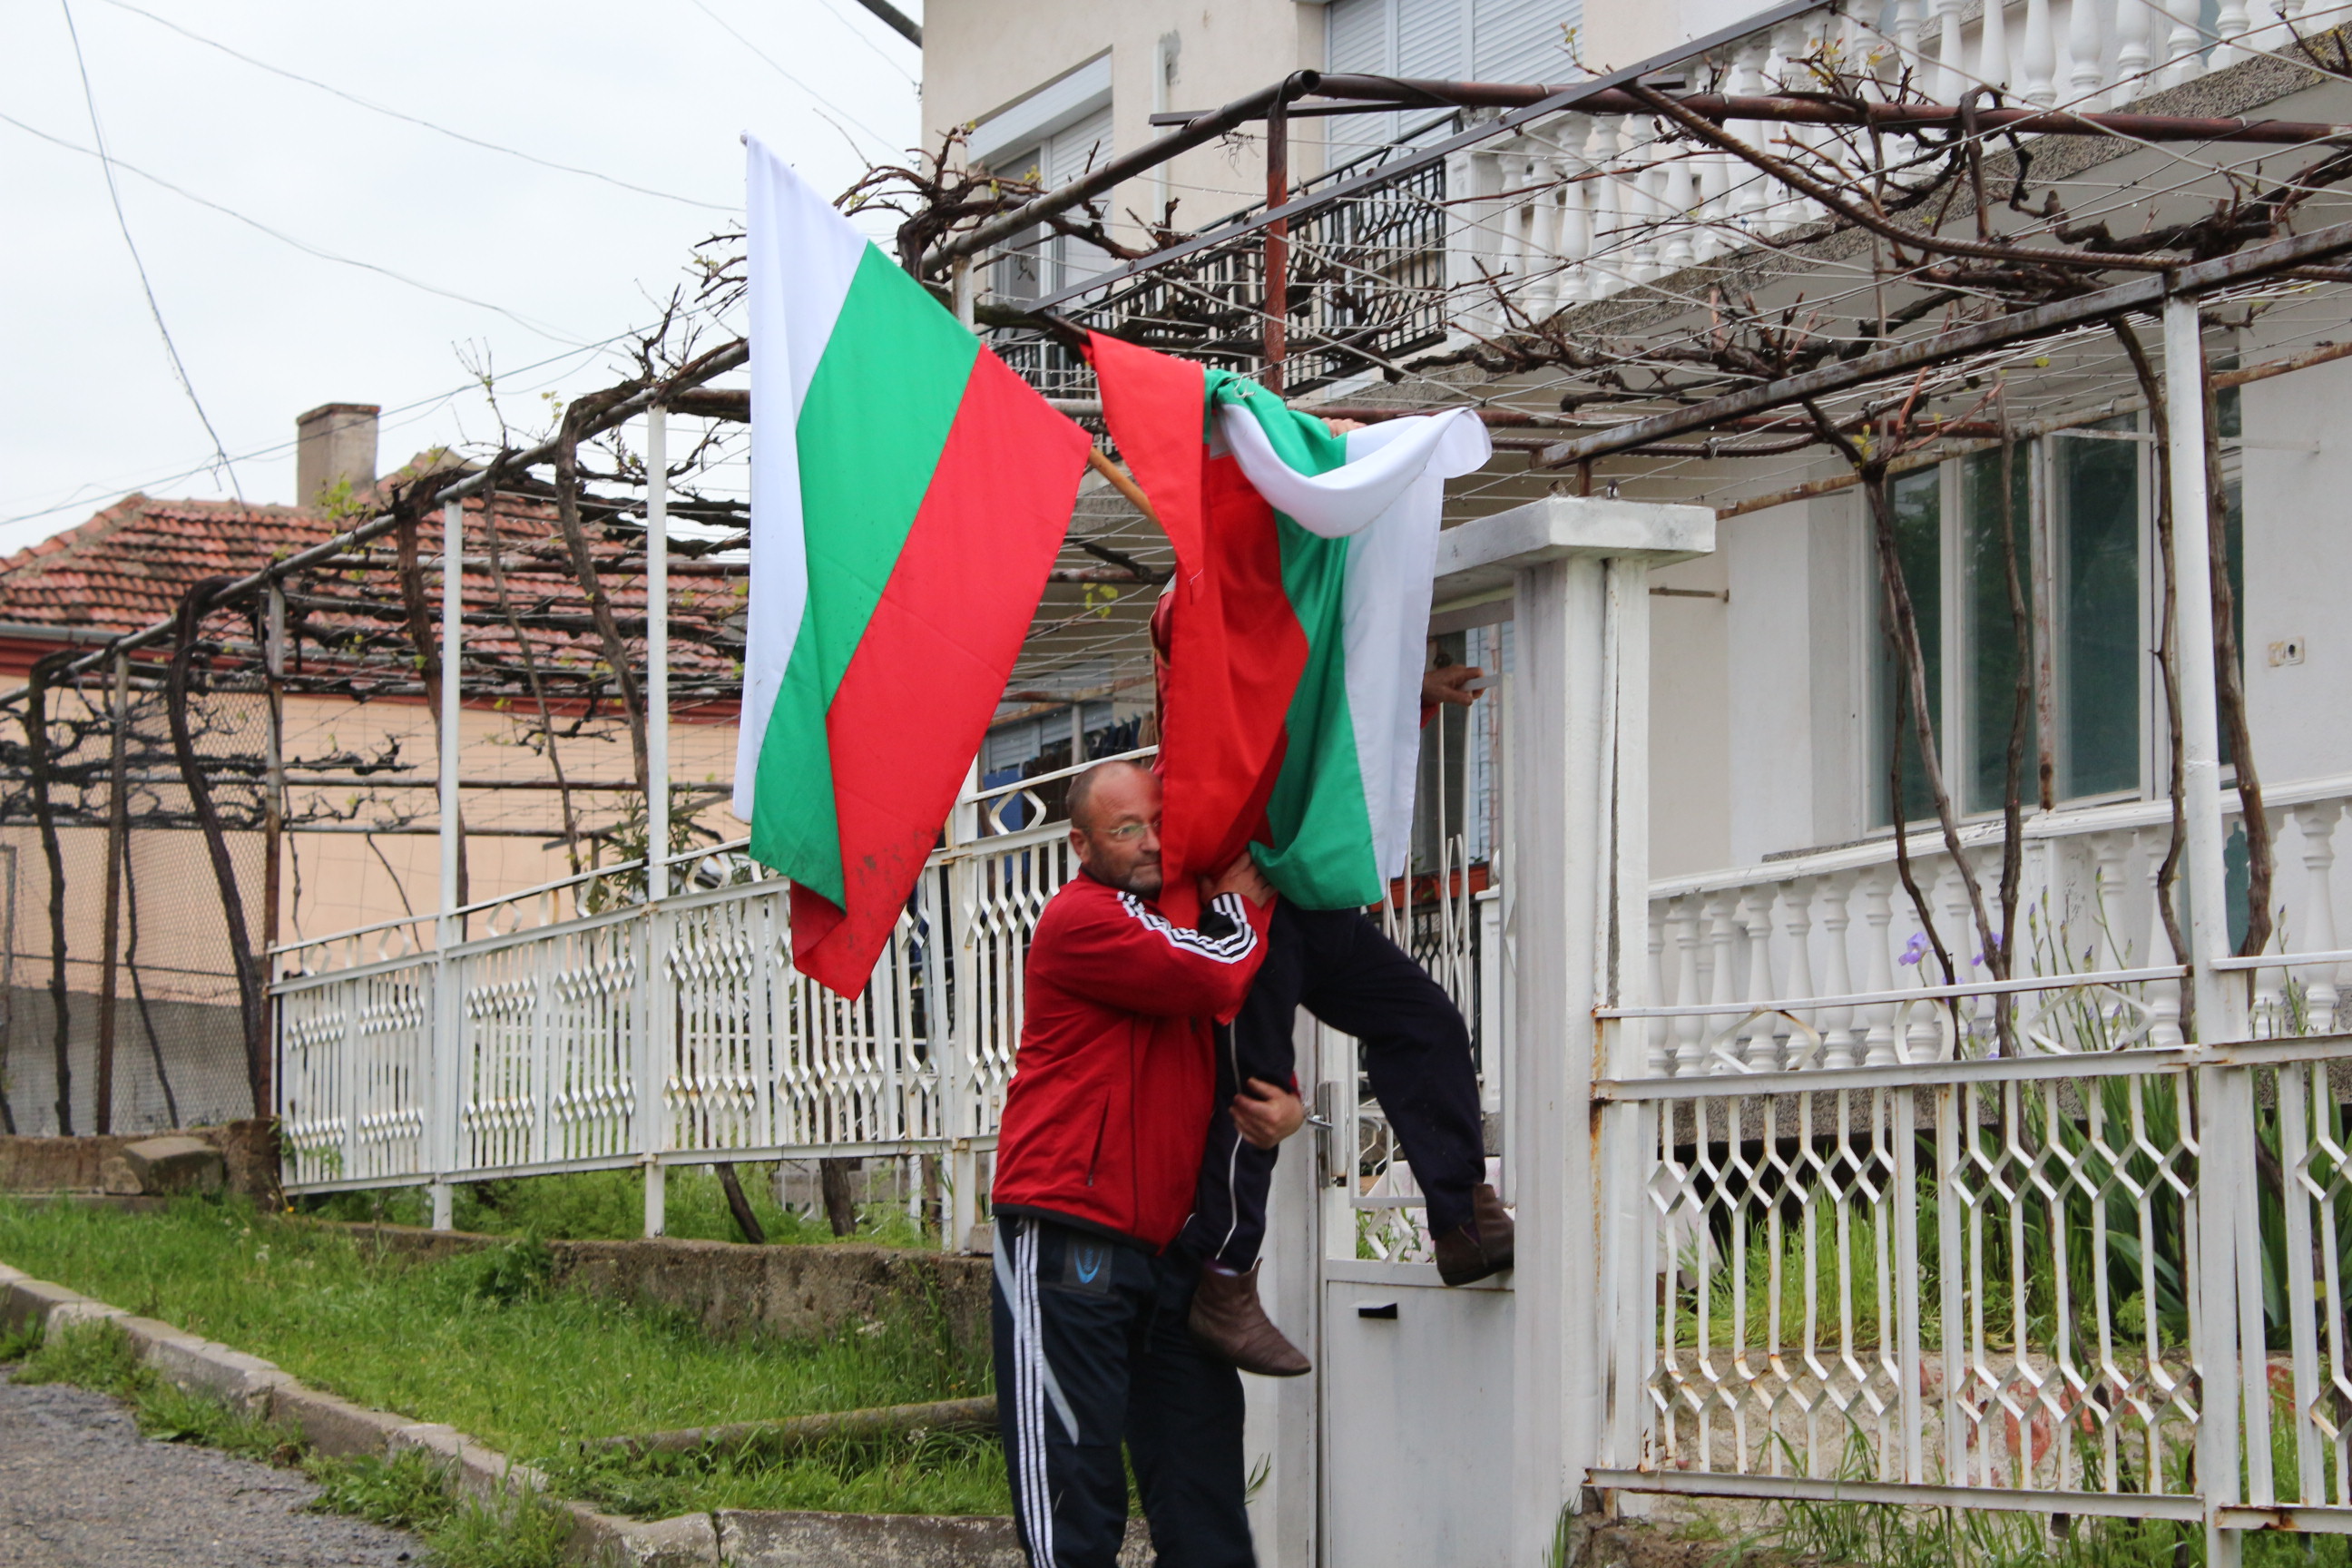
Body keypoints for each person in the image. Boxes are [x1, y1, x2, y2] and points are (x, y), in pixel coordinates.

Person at [989, 758, 1301, 1568]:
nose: (1152, 843)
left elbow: (1226, 1036)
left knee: (1205, 1506)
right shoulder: (1084, 921)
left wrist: (1288, 1103)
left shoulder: (1170, 916)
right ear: (1081, 842)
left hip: (1169, 1257)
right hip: (1066, 1241)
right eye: (1128, 830)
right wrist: (1241, 906)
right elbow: (1212, 972)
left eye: (1160, 822)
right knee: (1076, 1505)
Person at [1175, 645, 1515, 1379]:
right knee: (1257, 1097)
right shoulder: (1204, 608)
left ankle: (1461, 1219)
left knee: (1425, 1021)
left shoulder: (1296, 602)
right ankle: (1226, 1281)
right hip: (1248, 899)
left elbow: (1328, 703)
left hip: (1308, 887)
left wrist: (1409, 689)